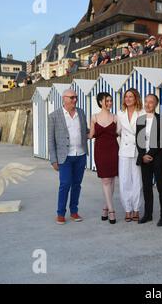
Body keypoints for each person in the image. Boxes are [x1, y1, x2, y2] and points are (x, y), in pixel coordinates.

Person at [48, 89, 88, 225]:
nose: (75, 100)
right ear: (64, 99)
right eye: (72, 98)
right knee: (65, 184)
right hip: (64, 157)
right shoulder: (54, 116)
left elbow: (86, 131)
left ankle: (74, 211)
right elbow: (50, 140)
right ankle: (60, 213)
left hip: (80, 155)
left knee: (77, 185)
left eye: (76, 97)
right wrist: (53, 159)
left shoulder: (81, 113)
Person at [136, 94, 162, 227]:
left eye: (151, 102)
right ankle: (148, 214)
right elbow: (138, 140)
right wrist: (143, 155)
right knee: (146, 188)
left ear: (156, 104)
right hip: (144, 158)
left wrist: (149, 154)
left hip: (159, 158)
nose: (148, 104)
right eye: (146, 102)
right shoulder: (140, 119)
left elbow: (161, 139)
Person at [88, 92, 119, 225]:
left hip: (113, 149)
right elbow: (91, 135)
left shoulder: (116, 117)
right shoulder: (94, 117)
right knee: (105, 180)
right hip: (100, 150)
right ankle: (112, 210)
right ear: (101, 102)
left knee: (111, 180)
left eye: (111, 101)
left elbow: (119, 133)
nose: (109, 103)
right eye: (107, 101)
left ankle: (106, 208)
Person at [117, 88, 145, 222]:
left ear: (136, 98)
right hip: (124, 151)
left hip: (138, 150)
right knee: (124, 180)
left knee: (137, 181)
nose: (127, 99)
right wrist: (121, 144)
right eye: (126, 97)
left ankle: (137, 209)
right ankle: (127, 209)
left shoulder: (142, 112)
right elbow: (118, 132)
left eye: (131, 96)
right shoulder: (120, 113)